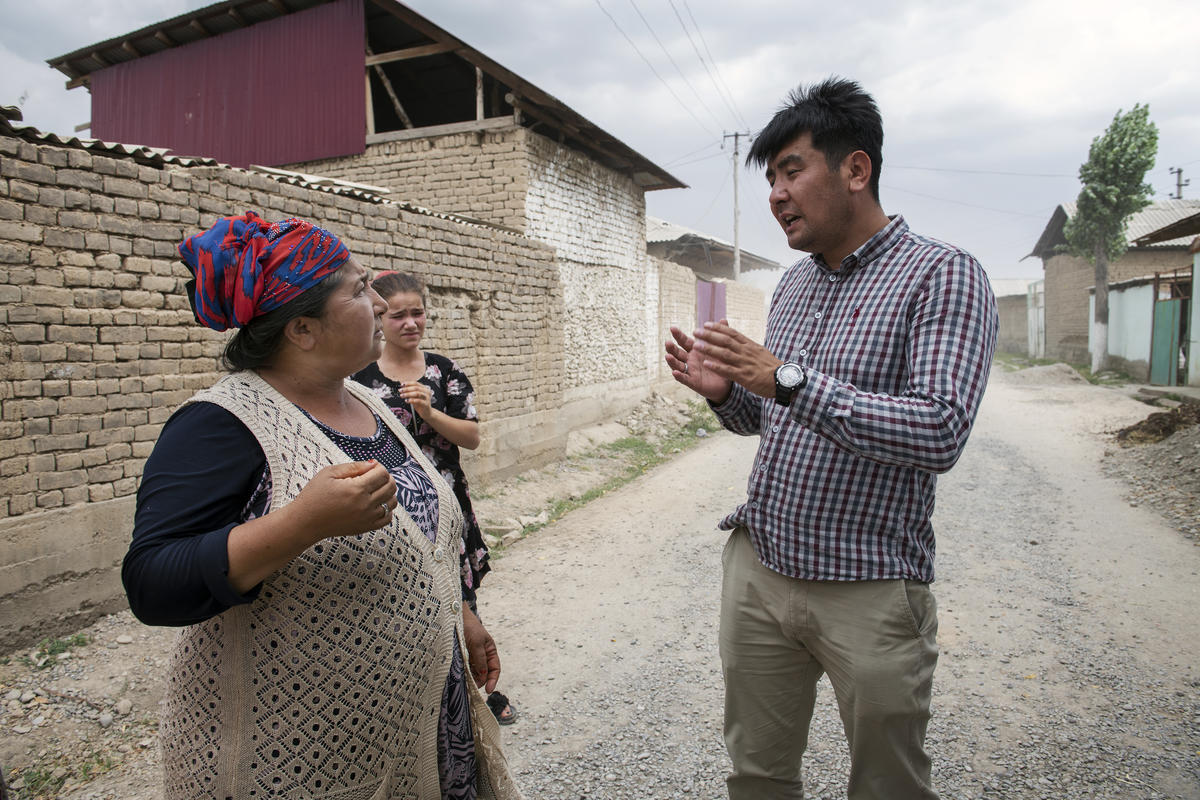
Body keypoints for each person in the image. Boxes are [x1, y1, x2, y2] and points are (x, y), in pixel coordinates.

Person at [665, 78, 998, 800]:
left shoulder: (942, 276)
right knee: (757, 775)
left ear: (855, 169)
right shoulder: (793, 286)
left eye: (792, 171)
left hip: (869, 585)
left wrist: (786, 380)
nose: (777, 195)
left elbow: (939, 428)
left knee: (888, 784)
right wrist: (726, 394)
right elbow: (773, 417)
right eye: (771, 180)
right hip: (762, 569)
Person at [124, 212, 522, 800]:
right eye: (360, 290)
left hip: (423, 728)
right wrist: (301, 523)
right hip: (299, 759)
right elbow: (152, 583)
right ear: (303, 330)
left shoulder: (368, 402)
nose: (379, 305)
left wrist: (457, 612)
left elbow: (422, 539)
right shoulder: (220, 424)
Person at [352, 272, 517, 726]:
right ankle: (418, 704)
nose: (410, 323)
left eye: (417, 313)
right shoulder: (359, 379)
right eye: (398, 315)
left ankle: (478, 697)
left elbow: (472, 437)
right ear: (379, 318)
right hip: (390, 510)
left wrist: (429, 411)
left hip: (448, 508)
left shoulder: (445, 372)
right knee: (404, 603)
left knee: (462, 601)